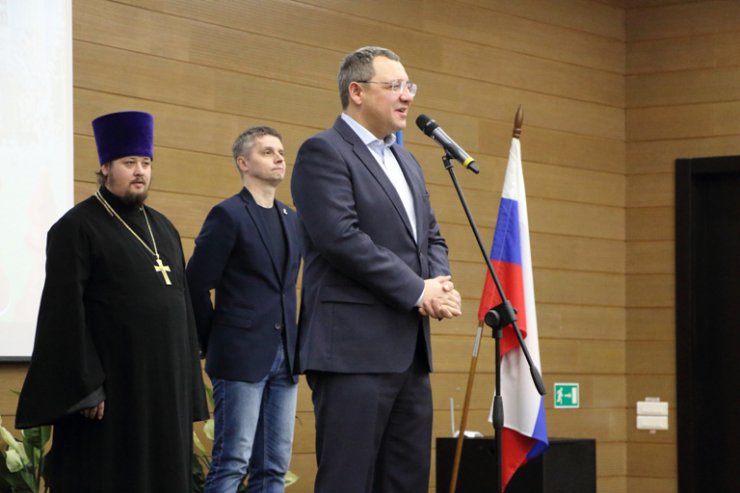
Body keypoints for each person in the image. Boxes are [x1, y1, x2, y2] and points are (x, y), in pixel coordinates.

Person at [290, 46, 462, 493]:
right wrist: (417, 290)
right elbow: (341, 238)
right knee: (348, 481)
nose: (407, 96)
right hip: (352, 353)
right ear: (357, 91)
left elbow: (431, 236)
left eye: (409, 86)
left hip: (410, 353)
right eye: (395, 86)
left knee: (406, 481)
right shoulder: (324, 152)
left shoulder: (407, 161)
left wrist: (439, 285)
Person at [15, 111, 209, 492]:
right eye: (129, 162)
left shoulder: (165, 228)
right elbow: (62, 313)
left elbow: (182, 310)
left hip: (164, 393)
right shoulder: (76, 228)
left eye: (146, 163)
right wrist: (87, 386)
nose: (140, 171)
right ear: (105, 167)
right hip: (113, 397)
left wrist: (187, 386)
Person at [186, 126, 302, 493]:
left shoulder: (292, 218)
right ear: (243, 162)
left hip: (286, 357)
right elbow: (195, 284)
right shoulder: (228, 215)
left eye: (281, 152)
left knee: (274, 468)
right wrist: (212, 340)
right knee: (231, 463)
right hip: (239, 355)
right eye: (268, 152)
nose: (279, 157)